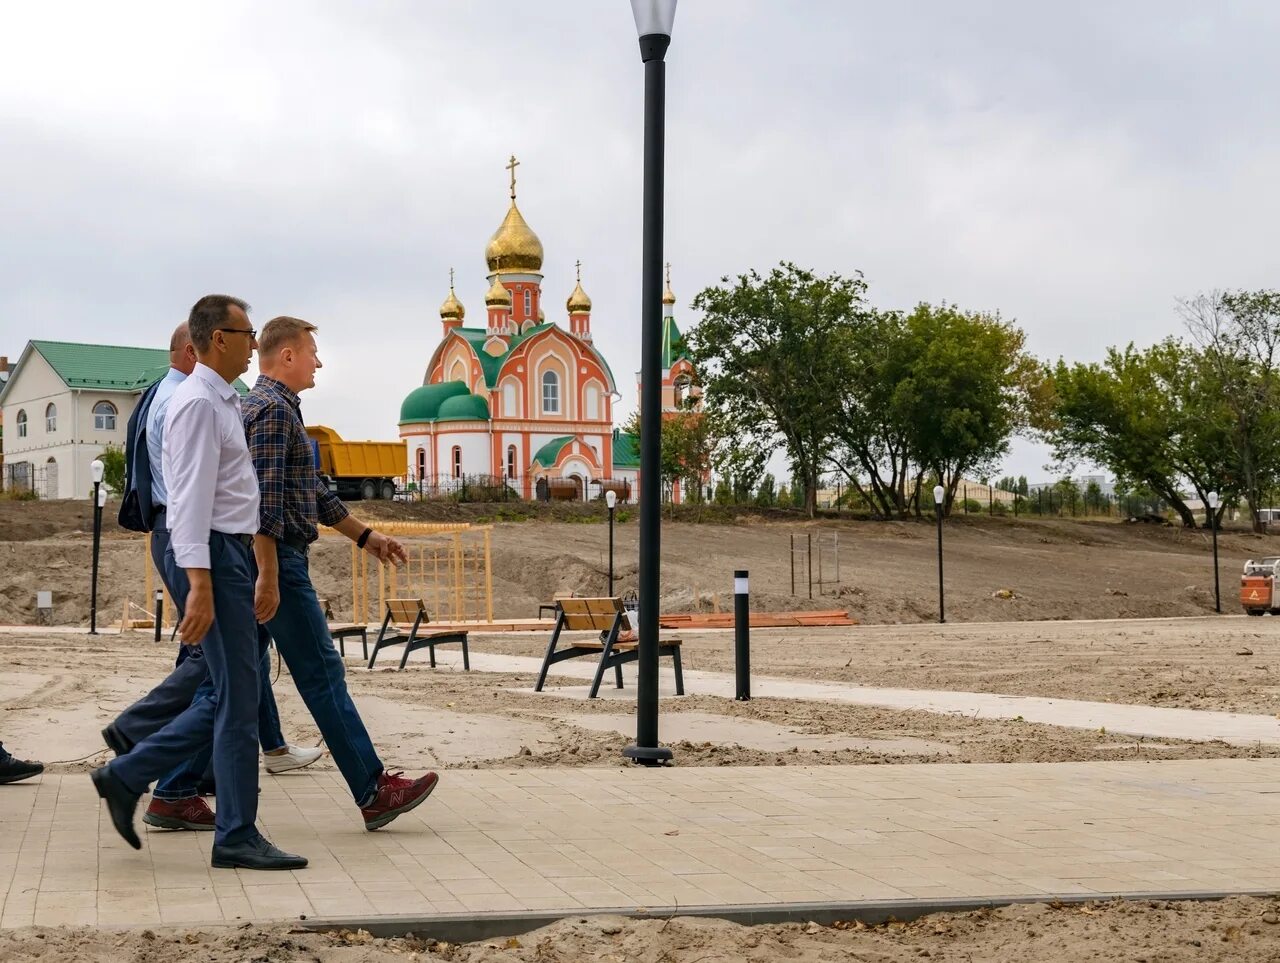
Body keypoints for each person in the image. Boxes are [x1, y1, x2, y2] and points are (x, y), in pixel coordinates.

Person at [90, 294, 306, 871]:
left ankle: (130, 773)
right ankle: (232, 832)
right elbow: (186, 501)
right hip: (212, 554)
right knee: (237, 696)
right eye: (246, 331)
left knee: (232, 693)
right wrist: (201, 584)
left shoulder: (222, 400)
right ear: (218, 339)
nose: (253, 340)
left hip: (228, 553)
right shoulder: (195, 405)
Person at [243, 315, 437, 830]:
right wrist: (268, 575)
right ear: (286, 356)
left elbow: (315, 494)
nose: (318, 362)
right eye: (311, 352)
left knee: (226, 677)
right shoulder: (271, 412)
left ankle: (170, 785)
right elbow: (261, 503)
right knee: (321, 674)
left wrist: (367, 538)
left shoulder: (274, 409)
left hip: (271, 561)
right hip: (277, 562)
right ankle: (373, 790)